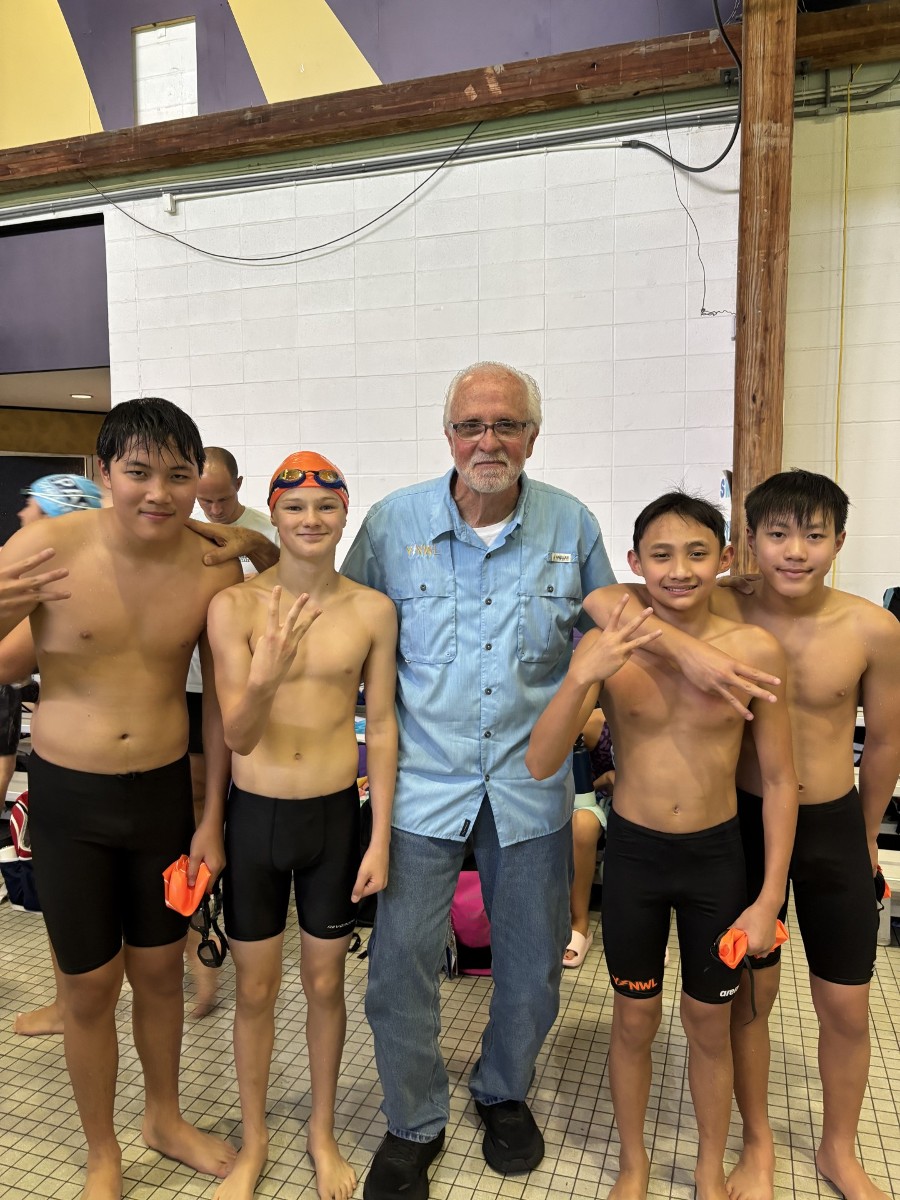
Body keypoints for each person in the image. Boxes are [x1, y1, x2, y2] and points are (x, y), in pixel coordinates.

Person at [193, 363, 786, 1200]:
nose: (488, 441)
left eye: (507, 425)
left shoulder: (567, 522)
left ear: (532, 437)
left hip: (529, 788)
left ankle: (504, 1091)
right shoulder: (394, 523)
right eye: (472, 425)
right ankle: (414, 1120)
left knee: (533, 967)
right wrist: (249, 550)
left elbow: (618, 608)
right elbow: (328, 591)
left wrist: (700, 644)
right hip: (421, 788)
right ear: (448, 435)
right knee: (398, 967)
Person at [0, 398, 242, 1200]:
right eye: (139, 472)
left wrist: (211, 818)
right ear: (102, 472)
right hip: (70, 801)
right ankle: (101, 1149)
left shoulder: (213, 564)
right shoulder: (46, 548)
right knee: (89, 987)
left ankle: (163, 1118)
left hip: (164, 800)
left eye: (178, 475)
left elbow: (220, 706)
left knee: (162, 972)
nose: (158, 493)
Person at [527, 492, 798, 1200]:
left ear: (725, 559)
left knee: (710, 1023)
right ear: (634, 562)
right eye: (662, 555)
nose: (679, 570)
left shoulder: (754, 650)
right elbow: (541, 759)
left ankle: (708, 1167)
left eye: (698, 553)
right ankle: (633, 1165)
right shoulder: (610, 648)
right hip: (637, 860)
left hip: (718, 860)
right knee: (634, 1019)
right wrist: (583, 673)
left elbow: (778, 779)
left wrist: (769, 898)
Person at [207, 450, 398, 1200]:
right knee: (254, 990)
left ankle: (321, 1132)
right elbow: (236, 734)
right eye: (295, 507)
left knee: (325, 984)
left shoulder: (371, 610)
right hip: (256, 815)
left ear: (345, 514)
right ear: (275, 515)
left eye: (325, 506)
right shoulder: (234, 608)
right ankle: (254, 1141)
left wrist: (380, 836)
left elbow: (383, 726)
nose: (310, 520)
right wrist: (266, 672)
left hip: (334, 818)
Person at [709, 471, 900, 1200]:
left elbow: (885, 743)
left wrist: (865, 834)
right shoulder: (721, 605)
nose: (796, 551)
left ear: (839, 542)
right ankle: (757, 1144)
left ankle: (838, 1150)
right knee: (750, 997)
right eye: (778, 535)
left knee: (846, 1005)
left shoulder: (873, 629)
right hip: (744, 821)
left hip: (831, 825)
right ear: (750, 541)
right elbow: (627, 599)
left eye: (814, 535)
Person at [0, 474, 104, 1037]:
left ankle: (72, 1006)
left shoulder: (59, 580)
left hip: (75, 766)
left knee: (71, 898)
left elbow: (9, 664)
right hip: (89, 760)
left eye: (34, 511)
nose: (21, 518)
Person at [185, 447, 279, 1018]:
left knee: (243, 804)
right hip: (191, 686)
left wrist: (252, 551)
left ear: (240, 484)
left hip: (247, 689)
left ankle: (247, 918)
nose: (214, 509)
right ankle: (202, 941)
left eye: (222, 498)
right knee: (199, 809)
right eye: (205, 500)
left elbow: (296, 586)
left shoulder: (265, 532)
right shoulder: (187, 531)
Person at [563, 692, 614, 968]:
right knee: (583, 824)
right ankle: (579, 922)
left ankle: (652, 926)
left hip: (647, 805)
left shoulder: (663, 727)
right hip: (596, 798)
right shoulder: (596, 724)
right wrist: (604, 780)